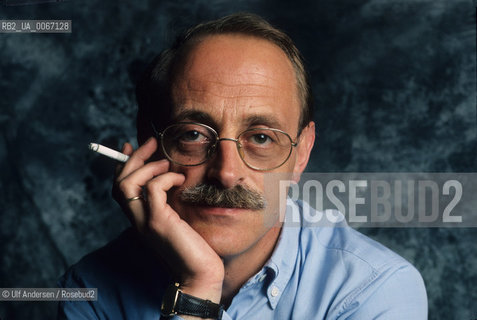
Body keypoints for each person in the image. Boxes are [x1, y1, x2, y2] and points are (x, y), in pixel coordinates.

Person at [58, 13, 427, 320]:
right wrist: (197, 287)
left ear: (302, 153)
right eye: (193, 134)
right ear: (148, 144)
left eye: (262, 138)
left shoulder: (375, 290)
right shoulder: (90, 292)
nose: (227, 172)